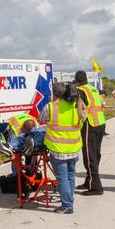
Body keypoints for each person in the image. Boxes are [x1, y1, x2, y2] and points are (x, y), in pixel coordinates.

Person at [43, 81, 85, 213]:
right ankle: (69, 201)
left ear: (54, 93)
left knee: (62, 179)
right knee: (71, 176)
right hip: (73, 148)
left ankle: (67, 206)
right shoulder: (76, 105)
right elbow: (82, 122)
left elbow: (41, 119)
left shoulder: (51, 106)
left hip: (58, 149)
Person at [74, 70, 107, 195]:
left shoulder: (80, 91)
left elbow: (78, 109)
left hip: (90, 124)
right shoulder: (92, 89)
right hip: (100, 123)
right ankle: (89, 181)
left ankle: (96, 187)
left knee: (89, 155)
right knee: (95, 154)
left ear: (77, 81)